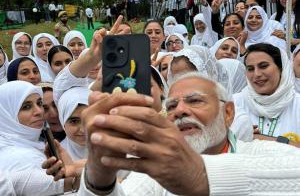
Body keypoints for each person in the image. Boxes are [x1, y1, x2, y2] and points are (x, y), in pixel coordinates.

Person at [77, 71, 300, 196]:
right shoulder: (156, 173)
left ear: (228, 113)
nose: (180, 111)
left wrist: (202, 177)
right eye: (171, 106)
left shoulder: (266, 154)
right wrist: (99, 178)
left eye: (195, 100)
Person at [0, 81, 79, 195]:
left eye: (39, 103)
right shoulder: (19, 157)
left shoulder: (27, 145)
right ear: (5, 114)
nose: (39, 111)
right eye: (26, 107)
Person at [234, 43, 300, 145]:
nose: (257, 74)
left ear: (281, 69)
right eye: (250, 69)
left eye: (263, 66)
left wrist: (259, 138)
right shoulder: (234, 103)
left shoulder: (297, 104)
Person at [57, 86, 91, 160]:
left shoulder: (113, 150)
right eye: (74, 121)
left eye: (88, 119)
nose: (82, 130)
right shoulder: (57, 158)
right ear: (63, 123)